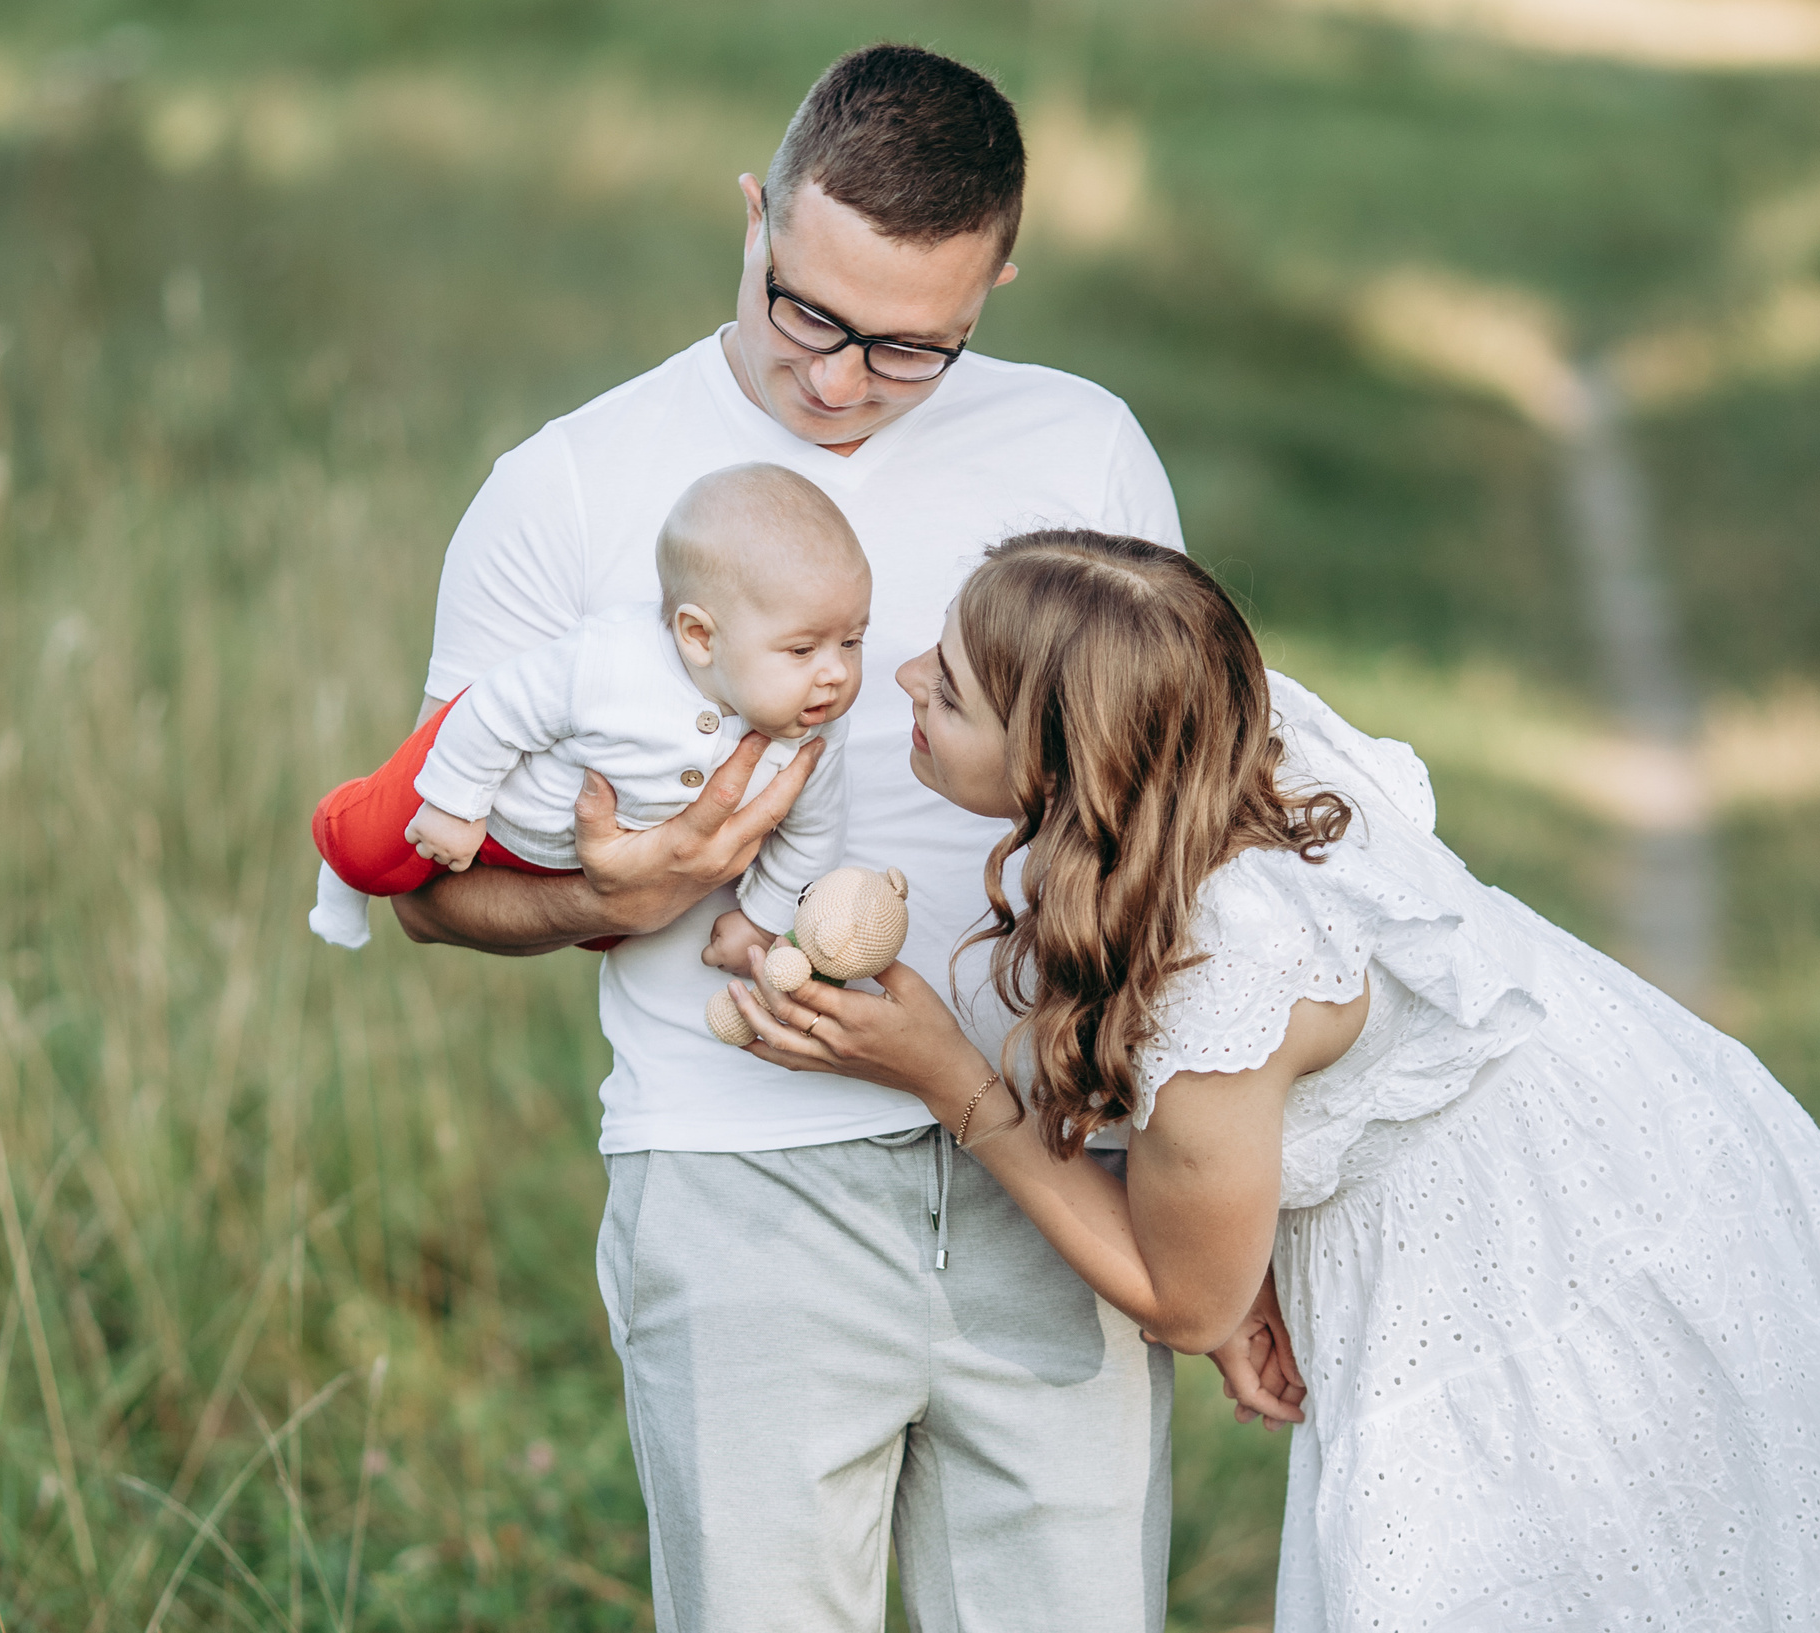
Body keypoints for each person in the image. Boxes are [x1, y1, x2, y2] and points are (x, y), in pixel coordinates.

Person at [727, 531, 1820, 1630]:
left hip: (1565, 1244)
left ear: (1065, 762)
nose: (903, 677)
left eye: (948, 687)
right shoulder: (1214, 726)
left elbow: (1184, 1300)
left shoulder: (1222, 965)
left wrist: (951, 1081)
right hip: (1593, 1146)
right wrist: (1254, 1251)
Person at [389, 46, 1184, 1632]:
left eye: (908, 350)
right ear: (755, 215)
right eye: (804, 310)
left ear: (996, 284)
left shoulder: (1085, 448)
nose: (836, 383)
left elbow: (1175, 820)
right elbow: (431, 890)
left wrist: (1215, 1191)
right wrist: (620, 895)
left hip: (1053, 1166)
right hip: (741, 1186)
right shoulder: (561, 489)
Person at [307, 463, 865, 957]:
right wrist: (455, 804)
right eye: (801, 650)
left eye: (852, 641)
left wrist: (762, 920)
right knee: (373, 850)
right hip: (491, 789)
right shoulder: (606, 663)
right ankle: (342, 858)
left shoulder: (816, 725)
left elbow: (814, 830)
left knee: (615, 934)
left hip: (574, 861)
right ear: (699, 637)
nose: (835, 673)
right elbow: (492, 709)